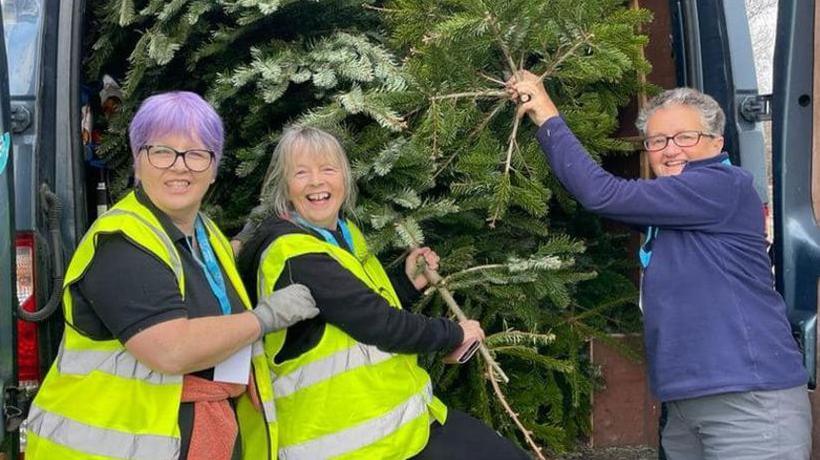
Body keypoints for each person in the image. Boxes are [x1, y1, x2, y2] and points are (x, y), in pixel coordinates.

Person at [508, 71, 812, 459]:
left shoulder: (721, 185)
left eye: (686, 137)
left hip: (748, 403)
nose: (671, 150)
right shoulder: (671, 207)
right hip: (686, 404)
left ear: (717, 143)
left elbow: (602, 194)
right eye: (657, 141)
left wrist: (546, 113)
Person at [24, 91, 319, 460]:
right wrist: (265, 318)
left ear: (213, 169)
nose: (179, 166)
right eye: (162, 151)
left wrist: (250, 239)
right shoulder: (122, 244)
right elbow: (171, 349)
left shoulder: (202, 231)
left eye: (196, 154)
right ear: (137, 160)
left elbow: (199, 280)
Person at [237, 125, 531, 459]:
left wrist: (405, 284)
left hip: (403, 424)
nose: (316, 181)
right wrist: (455, 333)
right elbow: (380, 324)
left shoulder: (342, 233)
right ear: (285, 187)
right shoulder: (293, 253)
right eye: (301, 173)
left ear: (345, 180)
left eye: (328, 169)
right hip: (351, 445)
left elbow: (353, 310)